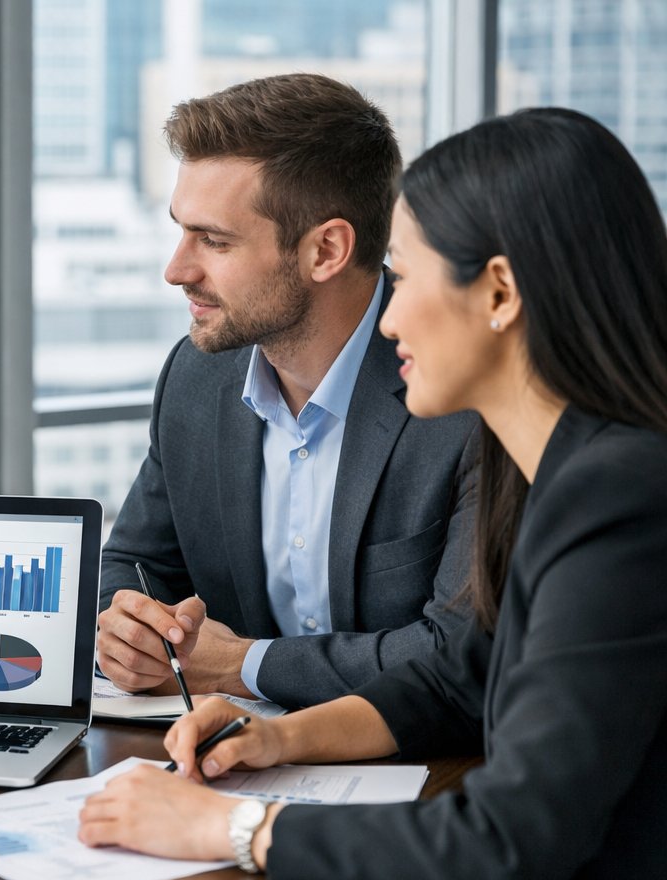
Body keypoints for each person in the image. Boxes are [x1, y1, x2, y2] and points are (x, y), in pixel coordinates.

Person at [79, 108, 667, 880]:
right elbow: (467, 672)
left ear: (500, 294)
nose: (386, 311)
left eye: (409, 276)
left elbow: (503, 849)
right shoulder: (555, 468)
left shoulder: (618, 499)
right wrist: (282, 738)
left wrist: (231, 829)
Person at [97, 74, 478, 709]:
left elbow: (460, 653)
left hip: (428, 771)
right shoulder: (196, 376)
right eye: (180, 230)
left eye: (214, 241)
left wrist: (241, 665)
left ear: (326, 249)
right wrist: (132, 632)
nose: (176, 269)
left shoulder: (460, 392)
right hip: (232, 758)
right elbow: (134, 566)